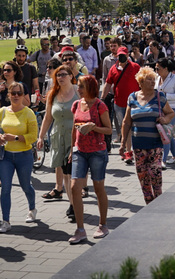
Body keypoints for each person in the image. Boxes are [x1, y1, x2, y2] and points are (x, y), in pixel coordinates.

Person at [67, 76, 112, 244]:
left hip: (97, 152)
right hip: (80, 150)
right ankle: (80, 229)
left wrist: (93, 127)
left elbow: (108, 130)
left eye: (81, 87)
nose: (78, 89)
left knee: (98, 187)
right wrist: (72, 149)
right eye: (78, 86)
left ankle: (103, 224)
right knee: (74, 187)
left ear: (90, 88)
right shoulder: (76, 105)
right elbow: (73, 128)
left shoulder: (100, 106)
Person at [121, 67, 174, 204]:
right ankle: (148, 203)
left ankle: (158, 200)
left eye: (153, 79)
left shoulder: (159, 97)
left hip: (155, 144)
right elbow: (127, 122)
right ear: (141, 82)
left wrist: (165, 120)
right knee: (143, 177)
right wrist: (122, 144)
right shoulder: (132, 98)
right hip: (138, 146)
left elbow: (170, 113)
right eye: (149, 79)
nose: (152, 82)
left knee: (155, 173)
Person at [0, 82, 38, 233]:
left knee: (26, 186)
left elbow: (33, 136)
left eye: (19, 93)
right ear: (9, 95)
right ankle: (5, 221)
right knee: (5, 188)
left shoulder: (28, 113)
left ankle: (32, 208)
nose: (16, 96)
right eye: (14, 93)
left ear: (24, 95)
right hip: (5, 156)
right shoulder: (3, 111)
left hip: (24, 155)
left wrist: (16, 138)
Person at [37, 65, 80, 221]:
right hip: (58, 138)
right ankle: (73, 204)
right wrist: (41, 137)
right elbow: (48, 118)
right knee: (66, 174)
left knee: (71, 174)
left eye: (63, 74)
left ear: (70, 75)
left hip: (75, 138)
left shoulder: (77, 91)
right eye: (58, 75)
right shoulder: (52, 95)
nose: (60, 77)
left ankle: (75, 206)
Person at [100, 47, 140, 164]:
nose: (122, 57)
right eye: (120, 55)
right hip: (119, 103)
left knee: (135, 127)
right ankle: (128, 151)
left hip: (135, 103)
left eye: (124, 55)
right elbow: (108, 84)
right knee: (125, 126)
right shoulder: (113, 69)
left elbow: (142, 82)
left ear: (128, 55)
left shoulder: (135, 67)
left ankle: (134, 150)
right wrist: (102, 99)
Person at [155, 58, 175, 167]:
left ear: (166, 69)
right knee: (168, 133)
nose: (156, 70)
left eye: (158, 68)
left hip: (171, 110)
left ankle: (163, 160)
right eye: (156, 68)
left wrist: (165, 96)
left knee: (165, 133)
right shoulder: (157, 78)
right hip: (160, 110)